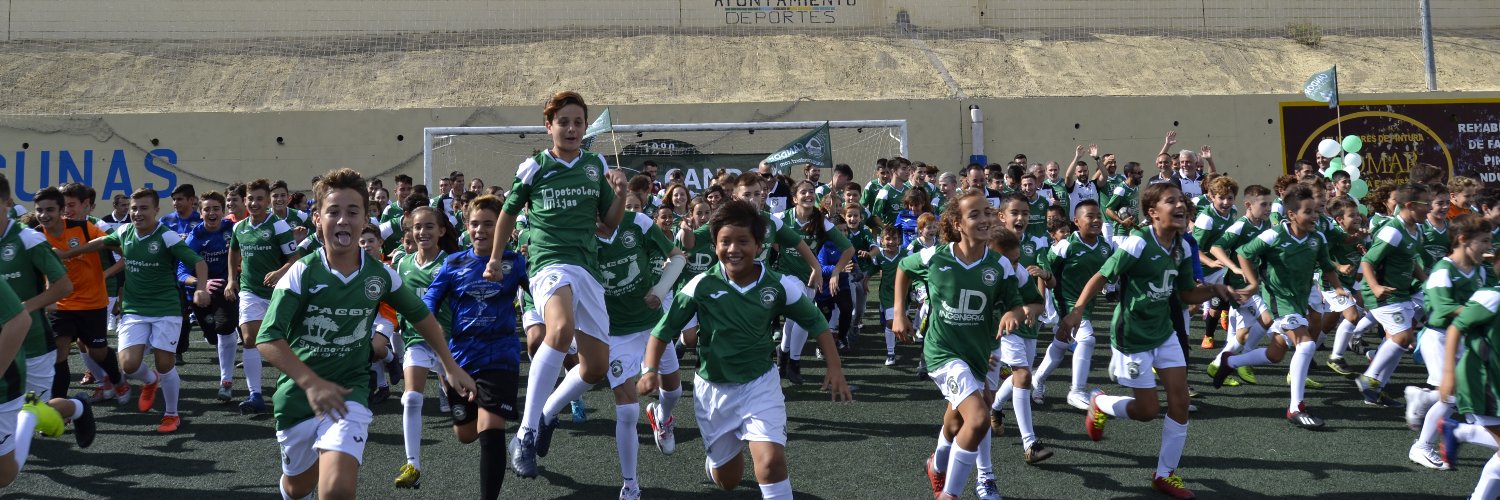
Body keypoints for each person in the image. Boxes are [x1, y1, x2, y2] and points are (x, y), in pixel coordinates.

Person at [255, 168, 475, 500]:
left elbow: (422, 316)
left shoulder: (380, 275)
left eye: (353, 211)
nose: (343, 220)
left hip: (350, 392)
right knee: (297, 486)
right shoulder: (301, 272)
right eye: (334, 211)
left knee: (338, 490)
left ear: (365, 218)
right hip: (298, 398)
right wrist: (312, 383)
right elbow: (267, 339)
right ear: (317, 218)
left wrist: (451, 365)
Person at [639, 199, 852, 500]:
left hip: (759, 385)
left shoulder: (778, 285)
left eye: (743, 241)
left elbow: (817, 323)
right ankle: (716, 464)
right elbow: (662, 331)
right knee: (729, 480)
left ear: (759, 244)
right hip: (713, 391)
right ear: (714, 245)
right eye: (725, 242)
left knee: (771, 463)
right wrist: (649, 370)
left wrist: (835, 368)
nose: (734, 249)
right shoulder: (700, 285)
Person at [482, 91, 628, 479]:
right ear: (549, 127)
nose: (571, 128)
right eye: (563, 121)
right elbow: (509, 213)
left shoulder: (596, 165)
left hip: (588, 269)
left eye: (578, 122)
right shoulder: (534, 166)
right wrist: (495, 259)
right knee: (559, 329)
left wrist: (623, 191)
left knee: (594, 367)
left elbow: (610, 224)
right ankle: (526, 434)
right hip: (550, 263)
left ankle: (547, 414)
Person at [1058, 182, 1233, 499]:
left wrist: (1214, 290)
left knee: (1180, 400)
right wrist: (1076, 311)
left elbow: (1185, 293)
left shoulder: (1181, 245)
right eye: (1171, 201)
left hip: (1164, 331)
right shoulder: (1138, 243)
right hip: (1133, 335)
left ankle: (1165, 474)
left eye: (1181, 200)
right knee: (1147, 410)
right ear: (1153, 212)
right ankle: (1101, 403)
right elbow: (1102, 276)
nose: (1180, 205)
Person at [890, 191, 1024, 500]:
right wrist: (899, 312)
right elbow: (904, 269)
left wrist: (1013, 315)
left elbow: (1017, 304)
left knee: (956, 421)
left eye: (988, 213)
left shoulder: (1000, 264)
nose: (984, 219)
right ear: (957, 223)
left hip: (976, 354)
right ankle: (951, 493)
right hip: (942, 353)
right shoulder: (936, 256)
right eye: (974, 214)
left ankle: (936, 464)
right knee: (977, 419)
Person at [62, 188, 210, 433]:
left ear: (155, 211)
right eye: (133, 208)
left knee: (165, 364)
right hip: (134, 309)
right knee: (128, 365)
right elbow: (98, 244)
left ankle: (171, 414)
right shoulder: (124, 232)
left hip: (165, 308)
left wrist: (201, 289)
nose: (137, 213)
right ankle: (150, 381)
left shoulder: (167, 236)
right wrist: (68, 253)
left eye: (143, 208)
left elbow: (199, 262)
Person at [1208, 184, 1343, 429]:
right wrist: (1251, 282)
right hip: (1279, 302)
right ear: (1292, 215)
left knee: (1275, 355)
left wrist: (1338, 287)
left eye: (1315, 211)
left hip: (1298, 301)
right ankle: (1295, 408)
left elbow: (1326, 265)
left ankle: (1230, 362)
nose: (1315, 216)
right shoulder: (1274, 234)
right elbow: (1243, 252)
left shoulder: (1317, 238)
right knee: (1307, 343)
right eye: (1308, 212)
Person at [594, 200, 686, 499]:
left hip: (653, 326)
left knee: (673, 392)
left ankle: (663, 417)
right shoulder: (579, 231)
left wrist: (660, 291)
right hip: (614, 333)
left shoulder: (639, 223)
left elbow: (678, 257)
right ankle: (630, 485)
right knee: (628, 410)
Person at [1406, 214, 1490, 470]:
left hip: (1461, 339)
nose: (1488, 248)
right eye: (1484, 242)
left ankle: (1421, 398)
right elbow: (1443, 309)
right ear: (1463, 240)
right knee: (1450, 397)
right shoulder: (1443, 271)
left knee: (1455, 394)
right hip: (1438, 338)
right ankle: (1421, 447)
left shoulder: (1479, 271)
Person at [35, 187, 128, 405]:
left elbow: (119, 248)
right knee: (59, 353)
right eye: (39, 210)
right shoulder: (36, 235)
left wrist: (105, 274)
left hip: (91, 303)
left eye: (51, 210)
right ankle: (59, 407)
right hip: (60, 305)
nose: (44, 215)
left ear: (61, 211)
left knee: (97, 352)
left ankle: (117, 379)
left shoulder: (84, 228)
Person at [392, 206, 460, 489]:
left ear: (442, 231)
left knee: (469, 421)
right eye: (417, 227)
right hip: (417, 342)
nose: (423, 232)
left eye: (429, 226)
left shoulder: (453, 262)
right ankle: (413, 464)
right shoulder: (402, 264)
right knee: (410, 399)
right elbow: (396, 300)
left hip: (450, 344)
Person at [1355, 183, 1431, 408]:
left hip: (1400, 293)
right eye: (1426, 205)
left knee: (1399, 341)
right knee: (1402, 338)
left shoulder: (1416, 230)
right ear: (1409, 205)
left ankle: (1374, 389)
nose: (1429, 210)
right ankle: (1368, 378)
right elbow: (1368, 260)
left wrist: (1427, 282)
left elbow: (1411, 261)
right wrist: (1376, 287)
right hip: (1382, 293)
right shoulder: (1393, 231)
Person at [1032, 199, 1112, 410]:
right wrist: (1042, 294)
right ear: (1076, 221)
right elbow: (1044, 266)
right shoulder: (1066, 245)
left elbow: (1111, 275)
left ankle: (1037, 378)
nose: (1096, 220)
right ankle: (1076, 391)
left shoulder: (1105, 247)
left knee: (1061, 343)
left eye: (1098, 216)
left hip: (1087, 304)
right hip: (1066, 302)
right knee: (1087, 339)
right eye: (1090, 216)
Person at [227, 179, 298, 415]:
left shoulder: (278, 226)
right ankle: (255, 394)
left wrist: (280, 272)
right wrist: (231, 279)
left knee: (280, 341)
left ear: (267, 201)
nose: (254, 203)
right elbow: (233, 251)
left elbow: (294, 257)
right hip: (250, 290)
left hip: (278, 292)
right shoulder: (239, 227)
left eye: (259, 198)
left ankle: (289, 389)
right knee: (249, 338)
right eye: (250, 199)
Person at [776, 180, 853, 372]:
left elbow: (849, 249)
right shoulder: (780, 218)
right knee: (803, 314)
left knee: (794, 320)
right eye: (803, 192)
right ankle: (794, 362)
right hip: (786, 275)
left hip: (811, 278)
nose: (808, 195)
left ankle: (783, 355)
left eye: (811, 191)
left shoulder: (821, 222)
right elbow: (764, 236)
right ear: (794, 199)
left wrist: (836, 271)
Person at [178, 192, 240, 406]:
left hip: (227, 289)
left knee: (225, 329)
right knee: (213, 337)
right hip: (202, 293)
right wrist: (199, 284)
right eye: (207, 209)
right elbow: (181, 272)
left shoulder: (232, 230)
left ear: (223, 212)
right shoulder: (195, 236)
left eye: (216, 208)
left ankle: (226, 381)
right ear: (201, 212)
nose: (212, 213)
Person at [1191, 176, 1239, 350]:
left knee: (1222, 300)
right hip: (1202, 269)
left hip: (1222, 267)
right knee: (1192, 306)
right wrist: (1210, 262)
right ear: (1211, 197)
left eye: (1230, 197)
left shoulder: (1233, 211)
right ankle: (1173, 329)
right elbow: (1193, 249)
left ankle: (1209, 336)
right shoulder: (1206, 219)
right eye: (1221, 197)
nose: (1226, 202)